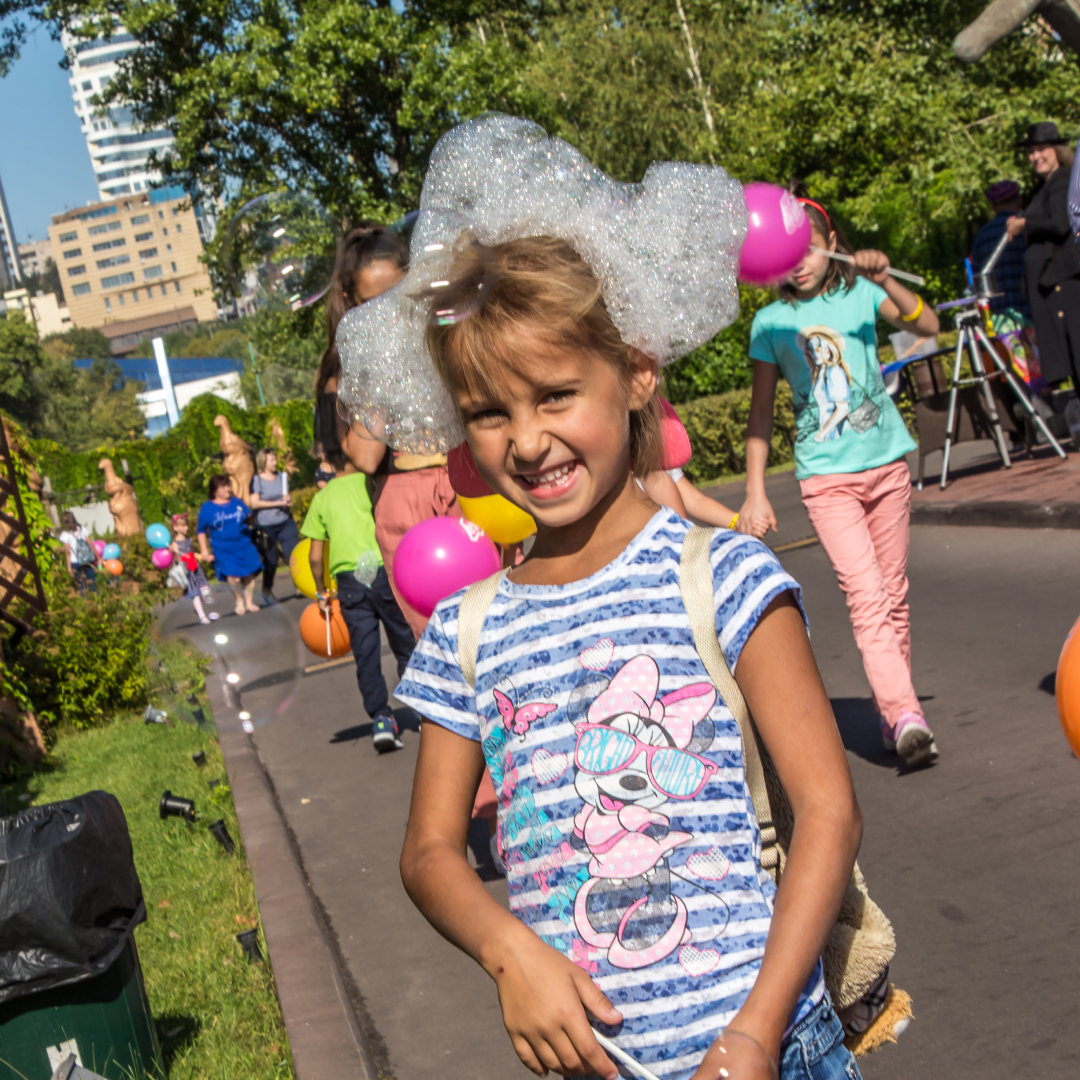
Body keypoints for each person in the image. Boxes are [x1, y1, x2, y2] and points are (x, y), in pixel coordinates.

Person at [382, 116, 867, 1080]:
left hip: (765, 1051)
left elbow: (828, 812)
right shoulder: (471, 631)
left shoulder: (722, 580)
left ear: (636, 374)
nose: (526, 442)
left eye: (556, 394)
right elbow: (431, 851)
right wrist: (508, 951)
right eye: (489, 412)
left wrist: (757, 1032)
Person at [739, 193, 941, 770]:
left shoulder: (861, 294)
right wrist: (755, 491)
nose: (800, 261)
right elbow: (760, 414)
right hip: (827, 480)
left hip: (887, 465)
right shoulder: (771, 322)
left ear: (831, 243)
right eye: (787, 254)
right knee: (866, 595)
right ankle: (906, 714)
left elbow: (927, 324)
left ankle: (892, 712)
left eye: (811, 247)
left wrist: (886, 278)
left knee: (893, 594)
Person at [315, 222, 462, 638]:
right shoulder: (346, 366)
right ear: (350, 299)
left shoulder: (443, 331)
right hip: (406, 497)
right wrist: (381, 373)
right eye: (372, 302)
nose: (387, 311)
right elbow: (364, 457)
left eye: (396, 295)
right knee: (439, 644)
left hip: (467, 483)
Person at [301, 460, 415, 753]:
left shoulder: (322, 498)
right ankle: (424, 708)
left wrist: (321, 589)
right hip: (383, 569)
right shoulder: (371, 481)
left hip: (349, 583)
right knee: (405, 642)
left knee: (366, 653)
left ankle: (381, 719)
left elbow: (315, 556)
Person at [1005, 122, 1080, 388]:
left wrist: (1022, 224)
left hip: (1064, 285)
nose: (1035, 157)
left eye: (1041, 149)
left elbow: (1061, 223)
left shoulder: (1062, 179)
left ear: (1057, 149)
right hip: (1055, 285)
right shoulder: (1049, 185)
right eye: (1031, 152)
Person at [196, 475, 263, 616]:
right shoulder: (207, 508)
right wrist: (204, 550)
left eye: (228, 485)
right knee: (231, 575)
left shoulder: (236, 502)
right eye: (223, 486)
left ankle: (249, 602)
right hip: (223, 549)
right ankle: (239, 600)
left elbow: (249, 519)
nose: (228, 488)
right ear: (215, 490)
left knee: (250, 573)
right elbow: (201, 531)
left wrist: (251, 519)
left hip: (244, 544)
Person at [971, 180, 1031, 319]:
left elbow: (976, 277)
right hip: (1028, 311)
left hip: (997, 316)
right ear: (1019, 201)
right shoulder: (1027, 227)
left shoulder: (982, 235)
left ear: (993, 206)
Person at [249, 448, 299, 602]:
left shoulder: (281, 477)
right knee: (271, 560)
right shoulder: (256, 480)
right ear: (263, 461)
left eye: (275, 459)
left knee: (294, 554)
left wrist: (288, 499)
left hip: (285, 522)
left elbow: (286, 496)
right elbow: (254, 503)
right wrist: (277, 503)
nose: (275, 462)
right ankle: (266, 589)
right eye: (272, 460)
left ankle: (300, 585)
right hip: (266, 525)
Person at [170, 512, 216, 624]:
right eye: (183, 526)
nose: (187, 527)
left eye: (187, 525)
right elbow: (175, 561)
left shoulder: (189, 540)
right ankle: (202, 616)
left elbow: (192, 553)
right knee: (195, 593)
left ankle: (200, 602)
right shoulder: (174, 544)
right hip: (187, 571)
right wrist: (175, 554)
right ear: (175, 528)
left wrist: (203, 557)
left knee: (205, 590)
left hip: (196, 568)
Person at [58, 511, 97, 593]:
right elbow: (91, 544)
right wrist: (98, 556)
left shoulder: (65, 534)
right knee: (91, 580)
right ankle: (96, 596)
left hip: (75, 561)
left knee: (81, 584)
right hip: (87, 559)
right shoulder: (83, 529)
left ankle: (85, 600)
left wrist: (69, 567)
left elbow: (67, 552)